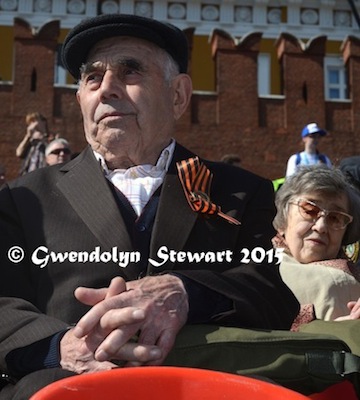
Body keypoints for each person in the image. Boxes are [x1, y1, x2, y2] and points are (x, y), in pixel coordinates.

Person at [0, 14, 299, 398]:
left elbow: (277, 290)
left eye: (130, 72)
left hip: (208, 383)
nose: (107, 89)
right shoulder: (24, 198)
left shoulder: (243, 192)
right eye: (93, 78)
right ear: (80, 101)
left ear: (178, 96)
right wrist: (61, 346)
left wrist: (185, 292)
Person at [272, 165, 360, 325]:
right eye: (310, 210)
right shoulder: (251, 264)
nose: (321, 226)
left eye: (335, 218)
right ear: (283, 220)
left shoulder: (344, 281)